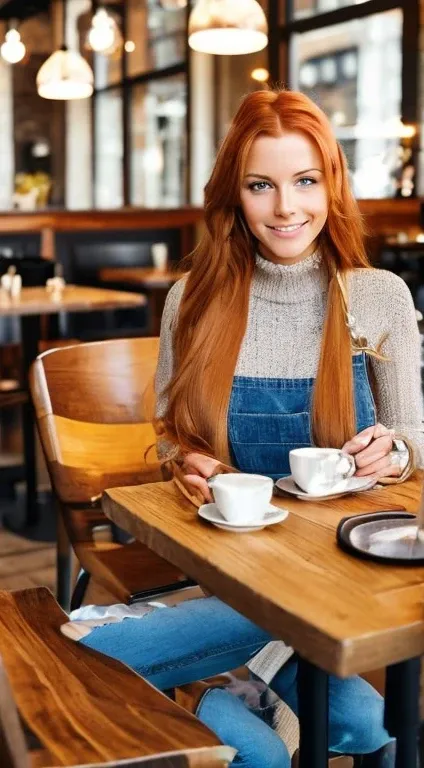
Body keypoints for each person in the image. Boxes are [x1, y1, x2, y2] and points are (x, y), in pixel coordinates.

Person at [62, 89, 423, 767]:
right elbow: (174, 436)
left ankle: (212, 679)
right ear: (235, 194)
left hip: (336, 570)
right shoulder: (193, 300)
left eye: (305, 182)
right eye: (262, 186)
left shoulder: (379, 297)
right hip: (226, 569)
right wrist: (191, 465)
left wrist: (395, 450)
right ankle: (219, 679)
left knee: (372, 725)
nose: (287, 209)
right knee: (273, 750)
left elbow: (413, 436)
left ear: (331, 186)